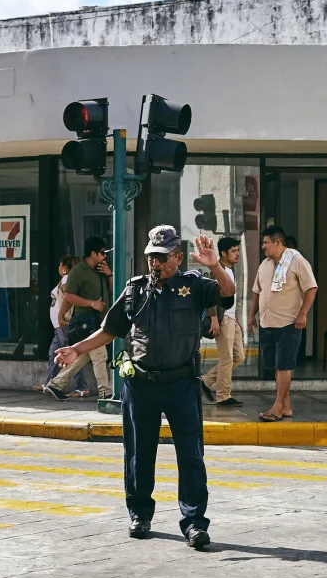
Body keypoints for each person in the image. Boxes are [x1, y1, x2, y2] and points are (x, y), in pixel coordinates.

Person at [55, 226, 235, 550]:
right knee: (139, 454)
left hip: (181, 384)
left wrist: (215, 265)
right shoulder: (136, 289)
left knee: (191, 456)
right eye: (152, 256)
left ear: (178, 257)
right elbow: (109, 330)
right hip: (141, 384)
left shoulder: (194, 286)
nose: (156, 263)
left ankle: (194, 523)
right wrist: (77, 350)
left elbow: (227, 291)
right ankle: (140, 514)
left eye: (163, 258)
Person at [247, 225, 317, 422]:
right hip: (267, 323)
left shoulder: (296, 260)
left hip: (289, 323)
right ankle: (286, 407)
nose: (263, 246)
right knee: (276, 367)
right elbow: (257, 291)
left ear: (278, 242)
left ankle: (277, 407)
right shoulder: (265, 264)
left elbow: (311, 288)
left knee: (284, 366)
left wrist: (303, 314)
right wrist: (252, 315)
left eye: (266, 242)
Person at [44, 237, 112, 400]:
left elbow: (111, 291)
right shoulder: (78, 271)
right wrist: (91, 304)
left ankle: (55, 384)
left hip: (102, 319)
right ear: (93, 253)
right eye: (102, 253)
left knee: (83, 356)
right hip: (87, 322)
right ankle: (106, 392)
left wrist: (109, 274)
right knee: (99, 354)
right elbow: (68, 296)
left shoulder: (101, 269)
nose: (105, 256)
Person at [36, 255, 90, 396]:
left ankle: (82, 387)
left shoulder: (67, 279)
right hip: (58, 325)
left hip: (63, 324)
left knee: (69, 354)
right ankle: (50, 383)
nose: (58, 268)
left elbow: (67, 297)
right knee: (52, 353)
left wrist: (61, 317)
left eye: (60, 265)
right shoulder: (66, 279)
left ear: (65, 268)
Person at [201, 237, 245, 407]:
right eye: (233, 251)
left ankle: (205, 381)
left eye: (238, 251)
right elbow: (209, 298)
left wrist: (238, 321)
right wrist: (213, 319)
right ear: (223, 253)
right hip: (222, 318)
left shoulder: (230, 270)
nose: (237, 254)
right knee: (226, 358)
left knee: (238, 356)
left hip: (232, 319)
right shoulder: (217, 270)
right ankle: (223, 396)